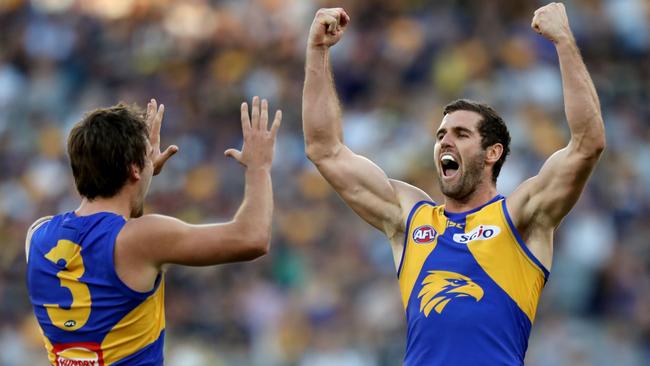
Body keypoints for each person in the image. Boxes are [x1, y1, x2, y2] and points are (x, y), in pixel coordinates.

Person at [303, 3, 604, 365]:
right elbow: (325, 151)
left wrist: (564, 42)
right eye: (441, 134)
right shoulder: (412, 219)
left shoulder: (521, 216)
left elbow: (587, 145)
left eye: (461, 134)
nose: (445, 141)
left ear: (493, 152)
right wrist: (318, 52)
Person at [25, 96, 281, 365]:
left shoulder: (37, 234)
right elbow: (253, 238)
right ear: (134, 169)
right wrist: (259, 168)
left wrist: (140, 176)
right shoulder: (142, 238)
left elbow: (114, 231)